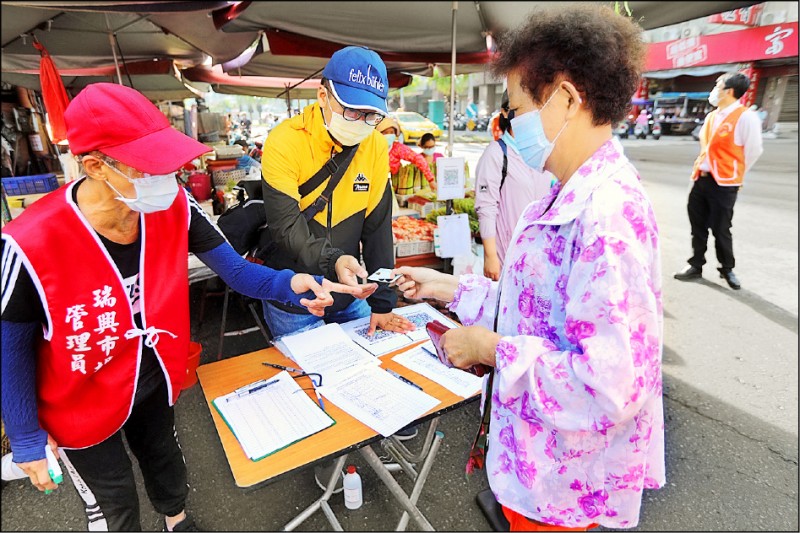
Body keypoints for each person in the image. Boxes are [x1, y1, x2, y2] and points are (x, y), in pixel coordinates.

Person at [0, 83, 374, 532]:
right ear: (96, 166)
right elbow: (10, 344)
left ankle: (176, 520)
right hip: (79, 391)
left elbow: (236, 271)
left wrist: (291, 283)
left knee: (164, 456)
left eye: (169, 167)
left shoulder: (175, 205)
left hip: (152, 372)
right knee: (113, 497)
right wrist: (24, 437)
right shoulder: (28, 241)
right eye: (150, 168)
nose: (168, 180)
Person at [392, 5, 664, 530]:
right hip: (537, 467)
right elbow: (534, 307)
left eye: (515, 110)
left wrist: (486, 349)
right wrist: (445, 286)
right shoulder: (561, 195)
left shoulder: (607, 215)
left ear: (565, 99)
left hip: (567, 483)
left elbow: (609, 386)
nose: (508, 126)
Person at [259, 46, 414, 340]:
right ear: (323, 97)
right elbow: (287, 229)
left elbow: (378, 232)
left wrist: (382, 303)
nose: (361, 122)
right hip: (297, 297)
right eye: (352, 110)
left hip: (350, 296)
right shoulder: (284, 141)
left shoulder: (376, 147)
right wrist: (335, 261)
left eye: (371, 115)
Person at [674, 72, 763, 290]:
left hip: (724, 183)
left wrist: (735, 174)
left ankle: (727, 268)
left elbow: (753, 151)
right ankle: (696, 264)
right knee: (698, 226)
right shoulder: (713, 116)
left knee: (721, 228)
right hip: (701, 179)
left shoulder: (745, 117)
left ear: (729, 91)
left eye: (718, 85)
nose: (715, 89)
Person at [474, 89, 553, 280]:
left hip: (539, 255)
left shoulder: (544, 153)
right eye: (523, 108)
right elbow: (486, 207)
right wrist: (490, 256)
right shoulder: (496, 153)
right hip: (506, 255)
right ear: (505, 112)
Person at [377, 117, 437, 192]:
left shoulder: (398, 149)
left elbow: (418, 158)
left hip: (391, 186)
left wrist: (431, 180)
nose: (389, 135)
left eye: (392, 132)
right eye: (385, 133)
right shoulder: (372, 149)